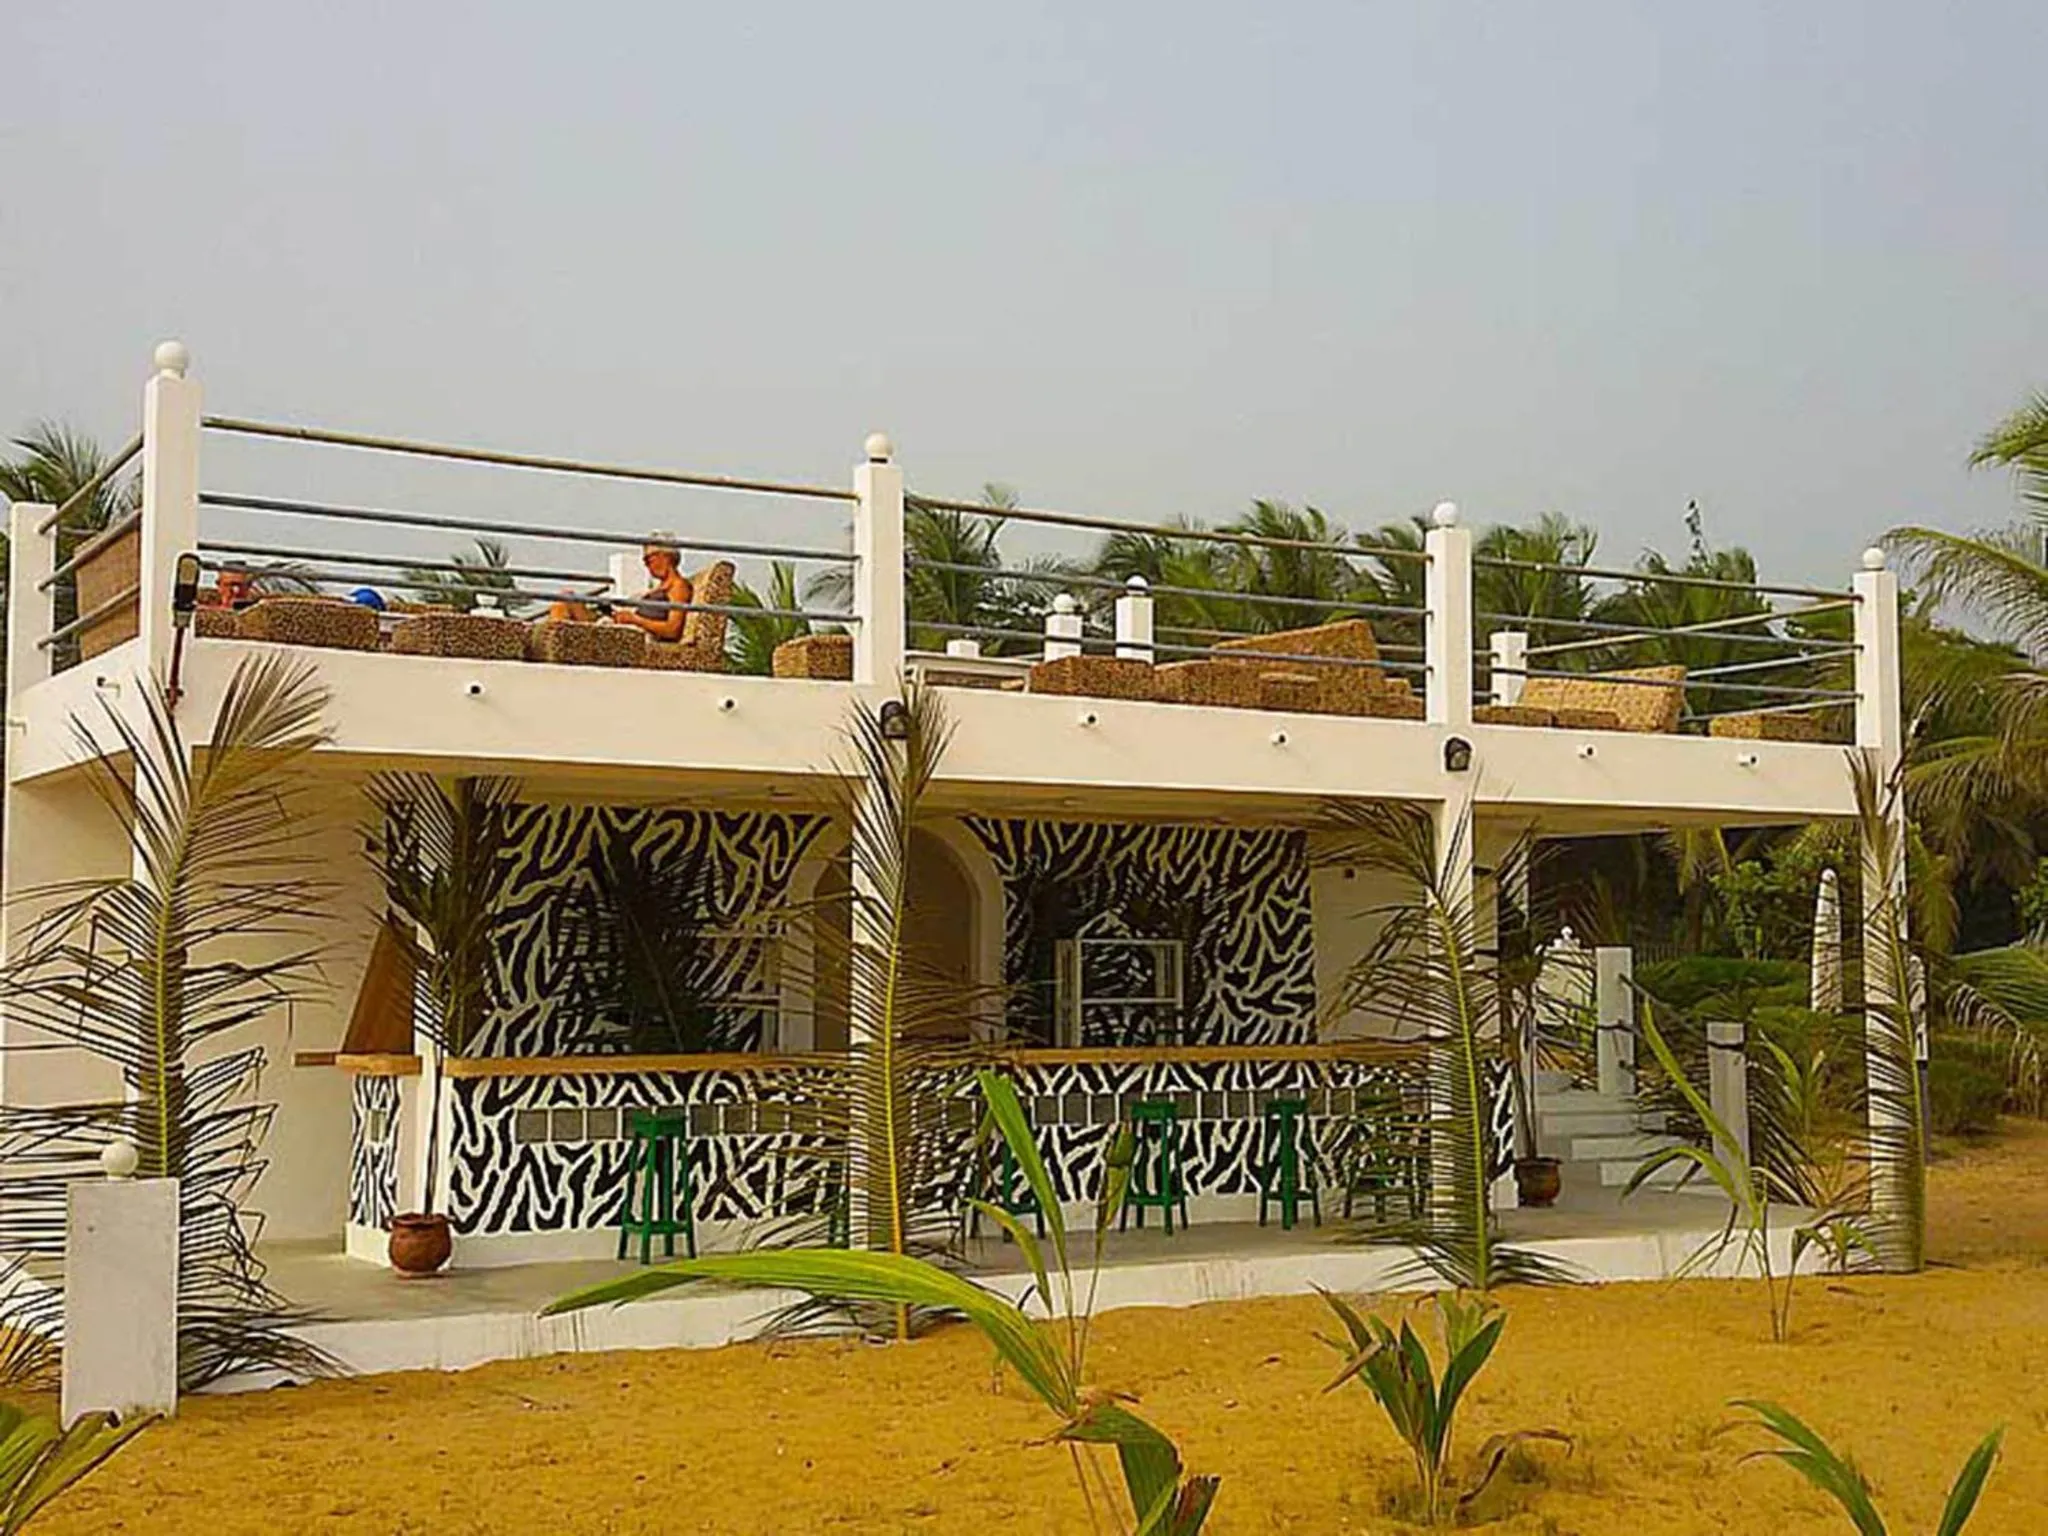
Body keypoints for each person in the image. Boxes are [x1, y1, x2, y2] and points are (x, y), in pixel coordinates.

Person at [548, 536, 694, 643]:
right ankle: (556, 647)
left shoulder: (678, 586)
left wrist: (635, 620)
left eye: (648, 560)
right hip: (623, 628)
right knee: (566, 599)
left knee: (564, 602)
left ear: (665, 556)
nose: (646, 565)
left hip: (634, 637)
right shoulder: (658, 588)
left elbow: (672, 629)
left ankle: (558, 651)